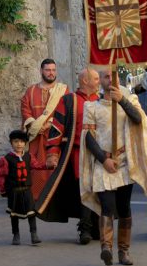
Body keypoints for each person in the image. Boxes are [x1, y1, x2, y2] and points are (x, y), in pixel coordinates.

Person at [80, 70, 147, 266]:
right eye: (106, 76)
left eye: (112, 76)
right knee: (107, 206)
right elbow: (88, 138)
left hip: (124, 162)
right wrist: (103, 159)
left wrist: (122, 100)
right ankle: (106, 247)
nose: (110, 79)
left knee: (124, 207)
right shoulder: (91, 107)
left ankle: (123, 251)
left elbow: (139, 120)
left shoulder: (130, 100)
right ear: (101, 81)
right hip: (103, 162)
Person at [35, 68, 100, 244]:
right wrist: (52, 153)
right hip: (78, 153)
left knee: (99, 189)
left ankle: (96, 226)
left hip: (100, 154)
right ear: (85, 81)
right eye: (95, 78)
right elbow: (57, 128)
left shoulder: (101, 101)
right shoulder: (69, 100)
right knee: (85, 188)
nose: (99, 81)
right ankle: (85, 229)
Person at [20, 59, 69, 200]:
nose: (51, 73)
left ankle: (53, 200)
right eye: (48, 70)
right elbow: (25, 110)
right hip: (35, 137)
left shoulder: (63, 90)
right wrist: (35, 126)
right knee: (35, 169)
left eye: (53, 70)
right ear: (41, 71)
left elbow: (65, 111)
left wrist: (48, 125)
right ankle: (35, 199)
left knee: (54, 167)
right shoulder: (31, 91)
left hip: (54, 137)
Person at [0, 130, 54, 245]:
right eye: (16, 141)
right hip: (14, 191)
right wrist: (2, 190)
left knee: (31, 213)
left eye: (22, 142)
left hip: (27, 191)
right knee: (14, 215)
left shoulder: (28, 156)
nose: (19, 144)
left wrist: (47, 165)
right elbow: (2, 176)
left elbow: (36, 165)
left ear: (25, 143)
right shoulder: (6, 159)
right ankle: (16, 235)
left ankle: (34, 234)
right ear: (11, 143)